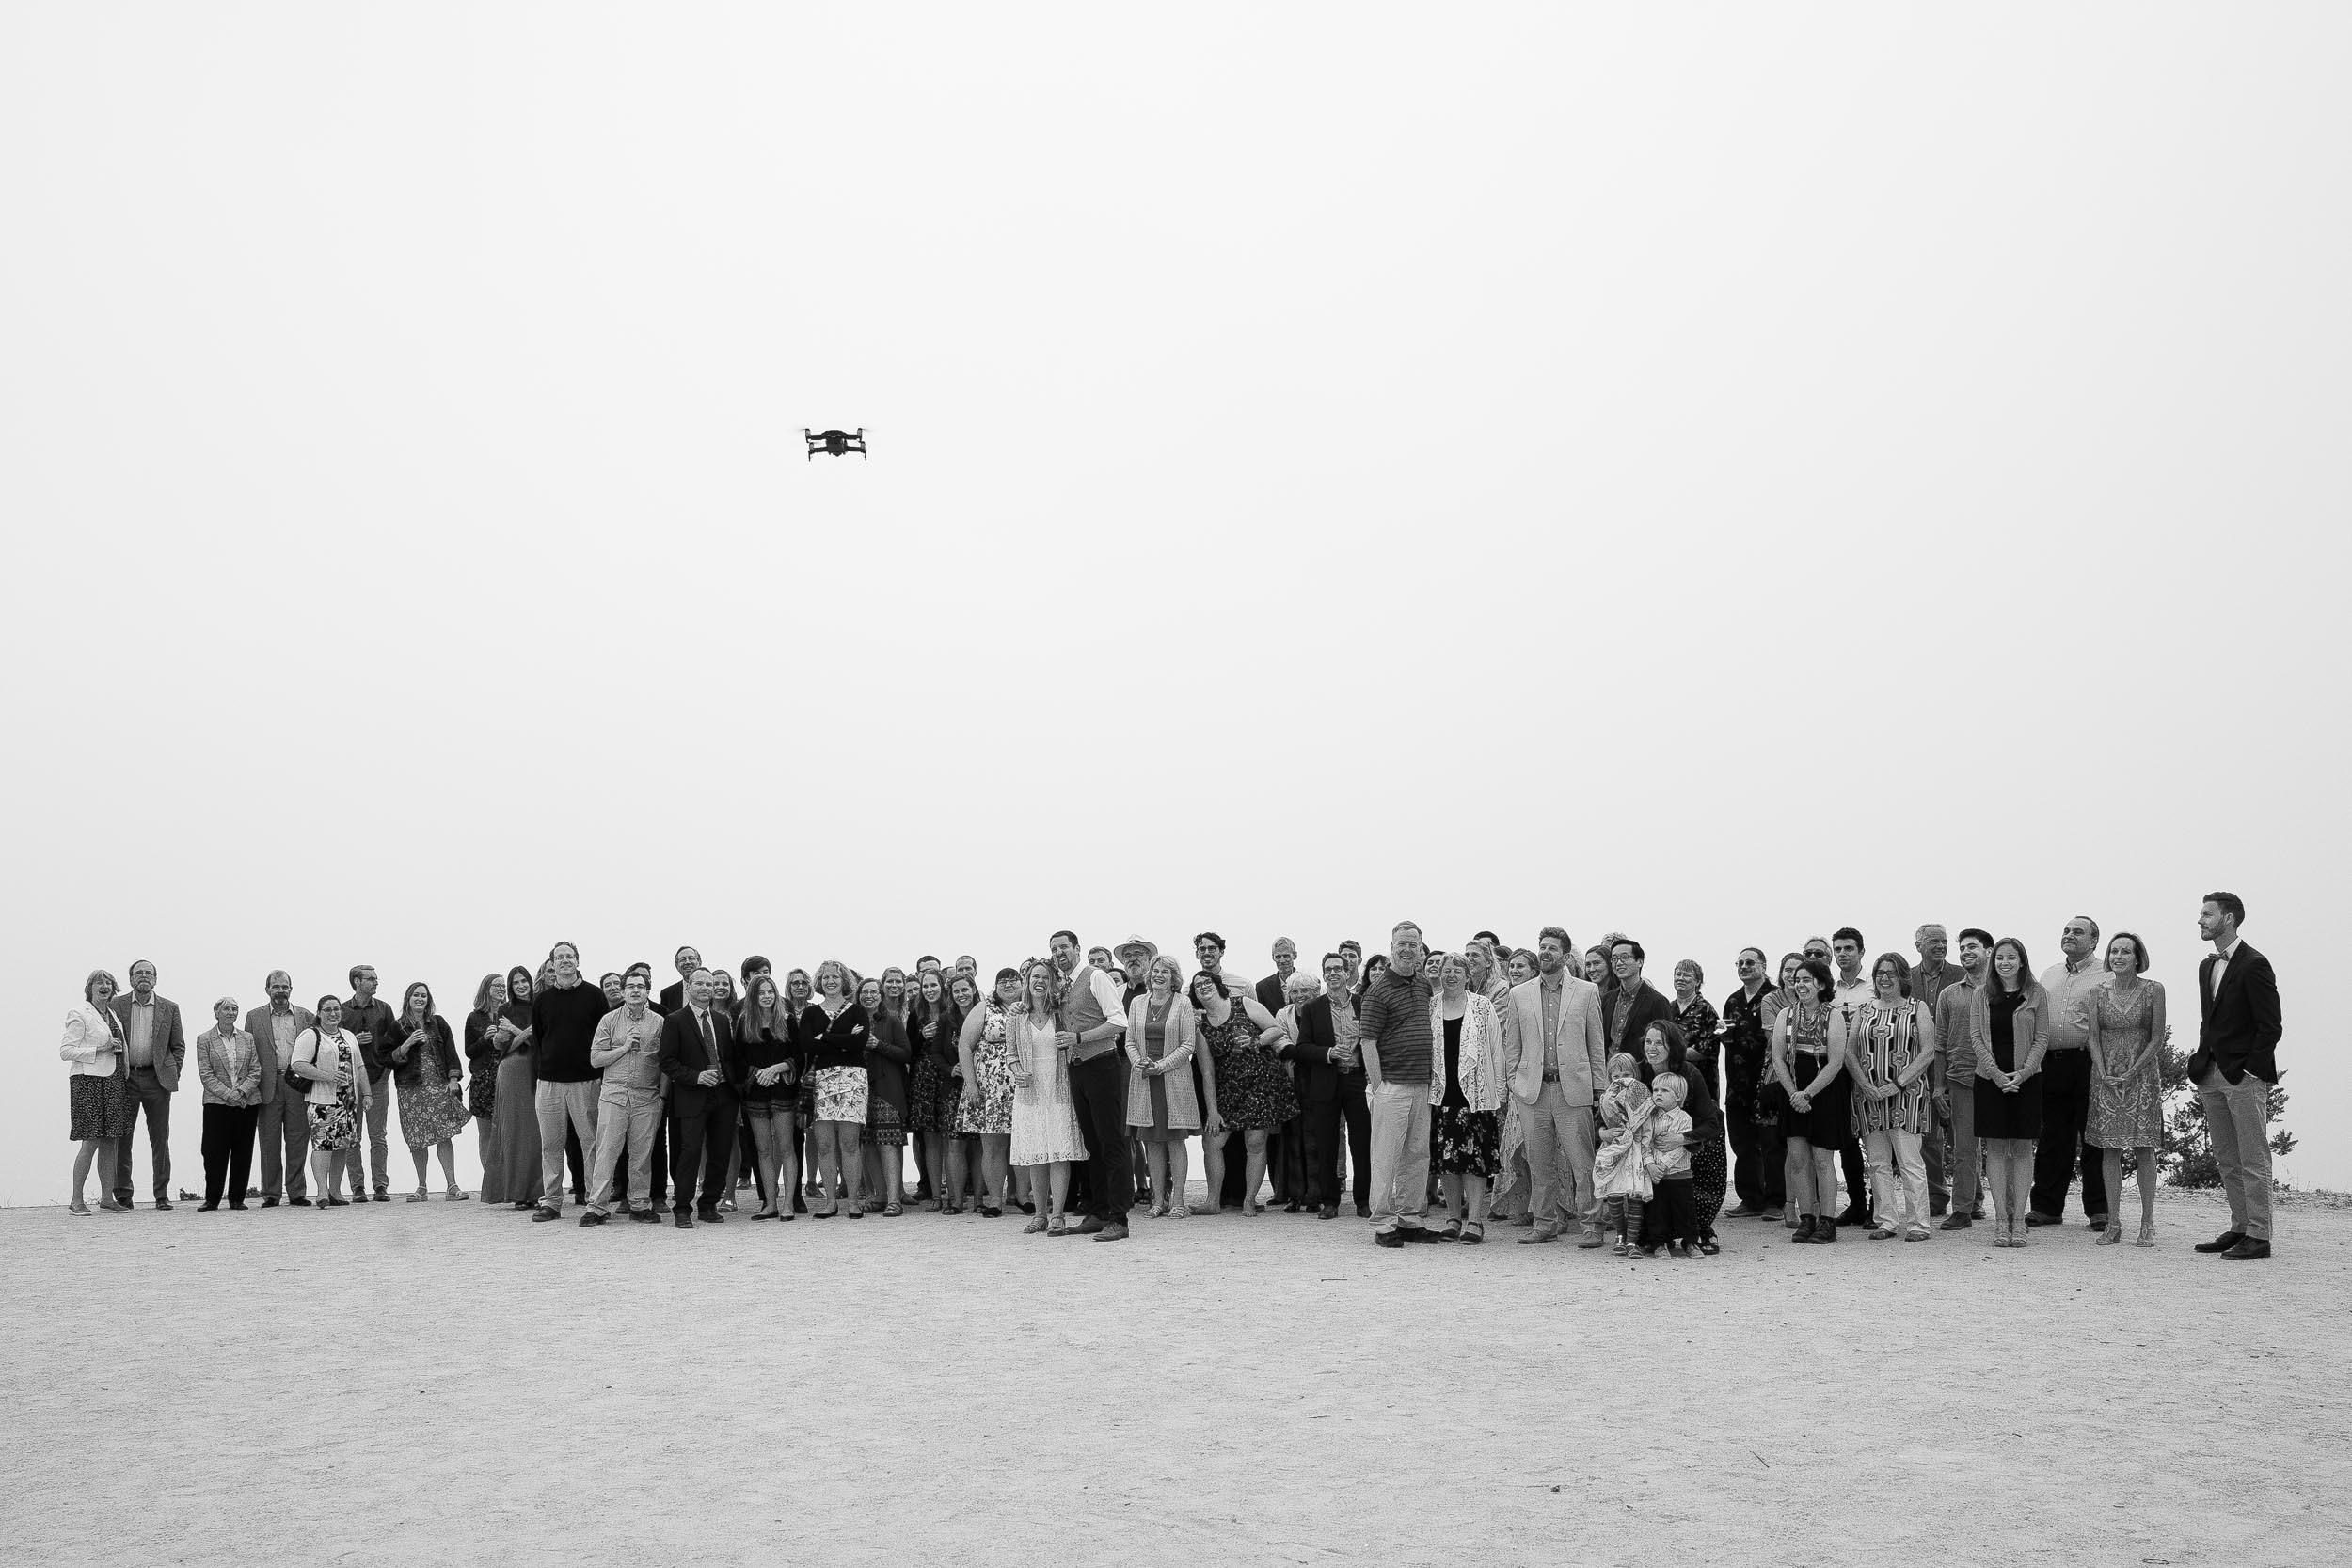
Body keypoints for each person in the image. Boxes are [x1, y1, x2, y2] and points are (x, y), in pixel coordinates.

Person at [2189, 892, 2282, 1261]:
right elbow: (2209, 1020)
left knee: (2253, 1156)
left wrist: (2249, 1069)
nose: (2200, 920)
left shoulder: (2255, 963)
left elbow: (2271, 1026)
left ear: (2228, 919)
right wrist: (2201, 1061)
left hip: (2243, 1075)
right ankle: (2240, 1226)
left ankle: (2259, 1235)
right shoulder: (2205, 965)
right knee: (2227, 1156)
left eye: (2206, 914)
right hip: (2210, 1073)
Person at [1506, 927, 1607, 1248]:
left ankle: (1592, 1223)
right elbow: (1513, 1047)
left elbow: (1596, 1046)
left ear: (1565, 955)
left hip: (1572, 1090)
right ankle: (1545, 1222)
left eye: (1552, 948)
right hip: (1532, 1092)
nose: (1545, 951)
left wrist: (1600, 1089)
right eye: (1542, 946)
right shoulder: (1519, 994)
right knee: (1539, 1162)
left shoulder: (1587, 991)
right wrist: (1514, 1083)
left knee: (1582, 1162)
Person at [1845, 954, 1938, 1243]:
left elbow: (1928, 1051)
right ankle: (1885, 1220)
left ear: (1902, 978)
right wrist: (1866, 1084)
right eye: (1880, 973)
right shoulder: (1864, 1009)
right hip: (1869, 1096)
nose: (1884, 978)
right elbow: (1849, 1053)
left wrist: (1897, 1083)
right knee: (1878, 1162)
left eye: (1891, 974)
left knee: (1910, 1161)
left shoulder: (1916, 1008)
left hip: (1906, 1096)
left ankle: (1918, 1224)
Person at [1361, 922, 1443, 1247]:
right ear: (1391, 946)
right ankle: (1383, 1222)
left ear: (1421, 948)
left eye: (1414, 944)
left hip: (1421, 1085)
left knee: (1417, 1155)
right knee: (1385, 1157)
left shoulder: (1424, 985)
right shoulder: (1377, 990)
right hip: (1391, 1086)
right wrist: (1378, 1086)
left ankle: (1409, 1218)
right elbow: (1367, 1041)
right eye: (1402, 944)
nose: (1408, 950)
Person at [1049, 931, 1134, 1241]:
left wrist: (1080, 1038)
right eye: (1054, 948)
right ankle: (1099, 1212)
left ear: (1077, 949)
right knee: (1092, 1144)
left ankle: (1120, 1219)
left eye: (1064, 947)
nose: (1059, 952)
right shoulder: (1060, 985)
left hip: (1102, 1064)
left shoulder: (1096, 977)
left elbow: (1119, 1022)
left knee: (1112, 1142)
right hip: (1078, 1069)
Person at [2031, 916, 2113, 1231]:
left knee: (2093, 1136)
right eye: (2066, 930)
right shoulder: (2049, 974)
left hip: (2089, 1062)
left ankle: (2099, 1210)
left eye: (2078, 932)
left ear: (2094, 941)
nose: (2069, 935)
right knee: (2053, 1137)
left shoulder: (2106, 974)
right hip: (2051, 1063)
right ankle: (2046, 1208)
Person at [2086, 932, 2166, 1249]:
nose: (2118, 956)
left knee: (2144, 1148)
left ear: (2137, 957)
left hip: (2141, 1076)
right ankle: (2113, 1221)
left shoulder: (2153, 990)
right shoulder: (2097, 991)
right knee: (2110, 1149)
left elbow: (2157, 1037)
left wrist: (2133, 1071)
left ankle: (2147, 1222)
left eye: (2125, 951)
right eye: (2114, 951)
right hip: (2105, 1077)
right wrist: (2103, 1070)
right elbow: (2092, 1034)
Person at [1970, 938, 2050, 1248]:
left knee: (2021, 1149)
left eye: (2011, 957)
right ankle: (2001, 1221)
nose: (2004, 962)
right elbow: (1976, 1038)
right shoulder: (1981, 994)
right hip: (1989, 1081)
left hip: (2027, 1082)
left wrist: (2022, 1073)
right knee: (1996, 1150)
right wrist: (1996, 1075)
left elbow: (2042, 1039)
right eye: (2000, 958)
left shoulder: (2036, 993)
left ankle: (2019, 1221)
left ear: (2022, 961)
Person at [1193, 970, 1292, 1216]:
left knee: (1255, 1143)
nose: (1204, 987)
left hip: (1259, 1083)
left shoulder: (1242, 1003)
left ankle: (1249, 1200)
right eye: (1197, 986)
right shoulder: (1201, 1025)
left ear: (1218, 985)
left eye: (1207, 982)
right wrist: (1212, 1111)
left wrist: (1255, 1041)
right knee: (1212, 1142)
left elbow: (1275, 1029)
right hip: (1227, 1088)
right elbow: (1207, 1072)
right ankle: (1212, 1201)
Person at [1769, 958, 1848, 1244]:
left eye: (1807, 980)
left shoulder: (1834, 1017)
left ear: (1822, 984)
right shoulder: (1785, 1016)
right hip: (1792, 1092)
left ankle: (1827, 1221)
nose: (1800, 985)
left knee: (1823, 1160)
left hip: (1822, 1092)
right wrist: (1793, 1094)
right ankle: (1807, 1219)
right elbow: (1777, 1056)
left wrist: (1808, 1094)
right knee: (1799, 1160)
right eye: (1797, 980)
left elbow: (1836, 1061)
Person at [1008, 958, 1088, 1236]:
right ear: (1027, 983)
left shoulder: (1060, 1013)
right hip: (1029, 1091)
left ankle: (1057, 1215)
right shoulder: (1016, 1016)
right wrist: (1018, 1072)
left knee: (1058, 1152)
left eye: (1044, 977)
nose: (1039, 981)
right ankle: (1039, 1214)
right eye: (1034, 977)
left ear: (1052, 982)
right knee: (1035, 1154)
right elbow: (1011, 1055)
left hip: (1058, 1087)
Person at [1429, 952, 1504, 1244]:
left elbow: (1496, 1051)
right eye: (1446, 970)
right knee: (1448, 1161)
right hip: (1441, 1093)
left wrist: (1500, 1092)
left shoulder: (1483, 1006)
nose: (1451, 975)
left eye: (1457, 971)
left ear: (1467, 975)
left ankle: (1474, 1219)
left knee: (1475, 1160)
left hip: (1476, 1093)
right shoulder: (1431, 1006)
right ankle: (1452, 1217)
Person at [658, 968, 742, 1228]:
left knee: (720, 1152)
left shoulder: (720, 1020)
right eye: (700, 983)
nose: (706, 987)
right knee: (689, 1153)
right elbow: (667, 1062)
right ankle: (682, 1208)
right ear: (689, 987)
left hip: (723, 1096)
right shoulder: (675, 1020)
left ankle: (709, 1205)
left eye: (710, 983)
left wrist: (734, 1084)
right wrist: (696, 1077)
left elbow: (728, 1057)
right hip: (691, 1096)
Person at [583, 973, 670, 1226]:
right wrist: (622, 1048)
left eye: (640, 987)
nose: (635, 991)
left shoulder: (659, 1022)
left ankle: (640, 1205)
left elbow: (665, 1063)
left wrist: (662, 1097)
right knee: (607, 1152)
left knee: (642, 1154)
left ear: (647, 992)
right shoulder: (609, 1020)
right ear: (622, 992)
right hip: (614, 1096)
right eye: (630, 986)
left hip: (647, 1097)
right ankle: (597, 1207)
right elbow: (595, 1059)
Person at [528, 942, 605, 1221]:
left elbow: (602, 1038)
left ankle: (597, 1204)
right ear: (552, 964)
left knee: (592, 1143)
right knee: (551, 1144)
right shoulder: (543, 1000)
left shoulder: (595, 996)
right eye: (559, 957)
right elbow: (539, 1040)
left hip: (586, 1081)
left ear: (577, 961)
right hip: (549, 1082)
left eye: (569, 956)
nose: (565, 961)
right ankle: (551, 1202)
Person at [1634, 1022, 1726, 1252]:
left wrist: (1683, 1139)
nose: (1651, 1048)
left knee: (1701, 1162)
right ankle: (1657, 1233)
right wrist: (1604, 1130)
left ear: (1672, 1047)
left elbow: (1711, 1122)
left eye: (1659, 1043)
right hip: (1651, 1141)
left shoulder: (1689, 1073)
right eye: (1648, 1042)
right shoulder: (1639, 1071)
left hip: (1693, 1135)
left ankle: (1701, 1230)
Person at [1126, 954, 1204, 1216]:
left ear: (1174, 978)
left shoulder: (1183, 1003)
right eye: (1156, 970)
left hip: (1174, 1081)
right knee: (1152, 1143)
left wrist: (1160, 1066)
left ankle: (1179, 1201)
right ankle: (1158, 1201)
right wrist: (1139, 1062)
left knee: (1175, 1142)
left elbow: (1187, 1045)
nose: (1159, 975)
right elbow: (1129, 1042)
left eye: (1165, 972)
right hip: (1144, 1080)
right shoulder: (1137, 1003)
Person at [107, 959, 186, 1211]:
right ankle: (123, 1195)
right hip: (125, 1079)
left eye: (148, 973)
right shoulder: (115, 1005)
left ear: (155, 978)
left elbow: (178, 1046)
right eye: (138, 973)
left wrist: (171, 1072)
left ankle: (161, 1194)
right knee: (122, 1138)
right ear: (130, 979)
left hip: (157, 1080)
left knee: (160, 1139)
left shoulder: (170, 1007)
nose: (144, 976)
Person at [386, 982, 470, 1201]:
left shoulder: (438, 1023)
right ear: (408, 999)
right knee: (417, 1138)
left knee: (444, 1134)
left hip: (438, 1085)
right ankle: (422, 1186)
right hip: (410, 1089)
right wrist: (408, 1043)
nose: (420, 999)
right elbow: (389, 1058)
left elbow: (450, 1050)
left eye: (424, 995)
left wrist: (453, 1079)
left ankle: (452, 1186)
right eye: (416, 995)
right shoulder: (398, 1027)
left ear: (428, 999)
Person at [799, 958, 869, 1220]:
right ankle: (830, 1202)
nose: (830, 981)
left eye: (836, 977)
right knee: (825, 1144)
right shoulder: (810, 1013)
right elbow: (807, 1045)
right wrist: (844, 1039)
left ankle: (853, 1202)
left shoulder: (857, 1011)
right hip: (821, 1080)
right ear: (820, 981)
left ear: (844, 981)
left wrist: (826, 1037)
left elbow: (859, 1043)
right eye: (826, 977)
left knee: (850, 1143)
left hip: (853, 1080)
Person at [1719, 948, 1784, 1222]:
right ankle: (1750, 1198)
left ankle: (1776, 1201)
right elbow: (1723, 1033)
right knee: (1742, 1144)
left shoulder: (1775, 995)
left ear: (1764, 965)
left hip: (1766, 1081)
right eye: (1740, 963)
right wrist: (1724, 1035)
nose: (1744, 967)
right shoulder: (1732, 1000)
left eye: (1750, 962)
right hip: (1737, 1084)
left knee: (1771, 1144)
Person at [1269, 968, 1341, 1217]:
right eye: (1295, 991)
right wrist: (1311, 1052)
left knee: (1316, 1138)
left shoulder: (1325, 1012)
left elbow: (1328, 1046)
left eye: (1306, 991)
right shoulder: (1282, 1014)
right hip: (1291, 1083)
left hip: (1320, 1082)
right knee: (1292, 1139)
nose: (1300, 995)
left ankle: (1316, 1195)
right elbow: (1280, 1046)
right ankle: (1294, 1195)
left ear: (1316, 991)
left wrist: (1307, 1052)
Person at [63, 970, 134, 1214]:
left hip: (114, 1081)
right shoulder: (79, 1014)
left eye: (108, 983)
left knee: (110, 1141)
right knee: (90, 1141)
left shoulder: (112, 1014)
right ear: (90, 988)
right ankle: (76, 1200)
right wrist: (100, 1048)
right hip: (88, 1082)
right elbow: (66, 1051)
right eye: (99, 982)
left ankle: (106, 1199)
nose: (104, 986)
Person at [290, 996, 372, 1206]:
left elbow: (360, 1066)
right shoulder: (310, 1035)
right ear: (319, 1013)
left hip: (348, 1101)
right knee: (323, 1145)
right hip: (322, 1101)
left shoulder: (349, 1035)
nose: (333, 1013)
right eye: (327, 1010)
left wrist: (367, 1094)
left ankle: (336, 1190)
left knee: (342, 1145)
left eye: (336, 1009)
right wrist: (328, 1075)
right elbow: (298, 1064)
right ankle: (322, 1192)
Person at [733, 973, 799, 1222]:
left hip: (783, 1088)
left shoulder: (788, 1020)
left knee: (786, 1148)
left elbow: (798, 1056)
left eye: (770, 991)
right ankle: (769, 1202)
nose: (767, 996)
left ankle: (788, 1204)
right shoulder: (744, 1022)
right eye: (761, 993)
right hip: (756, 1090)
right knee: (763, 1150)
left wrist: (777, 1069)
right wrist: (759, 1073)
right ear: (753, 996)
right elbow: (738, 1057)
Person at [246, 974, 314, 1207]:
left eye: (285, 986)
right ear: (267, 989)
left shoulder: (306, 1016)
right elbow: (248, 1053)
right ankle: (271, 1193)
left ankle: (297, 1192)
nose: (280, 991)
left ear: (291, 989)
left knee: (297, 1139)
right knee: (269, 1140)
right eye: (276, 987)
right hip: (268, 1084)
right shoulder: (254, 1017)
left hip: (298, 1084)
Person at [1911, 924, 1965, 1217]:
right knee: (1928, 1137)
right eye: (1934, 941)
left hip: (1956, 1064)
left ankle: (1971, 1198)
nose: (1941, 946)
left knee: (1963, 1136)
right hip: (1920, 1068)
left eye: (1944, 941)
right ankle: (1936, 1196)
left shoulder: (1961, 975)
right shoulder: (1906, 978)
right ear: (1918, 945)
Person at [955, 969, 1019, 1216]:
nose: (1008, 984)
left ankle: (1022, 1196)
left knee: (1022, 1145)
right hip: (990, 1089)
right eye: (1002, 981)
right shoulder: (984, 1007)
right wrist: (971, 1084)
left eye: (1013, 980)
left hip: (1023, 1086)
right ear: (995, 986)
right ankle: (995, 1200)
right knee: (992, 1147)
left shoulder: (1030, 1008)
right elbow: (965, 1045)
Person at [1824, 929, 1877, 1230]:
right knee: (1846, 1140)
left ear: (1861, 951)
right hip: (1836, 1069)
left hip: (1869, 1068)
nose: (1843, 953)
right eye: (1839, 949)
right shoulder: (1829, 989)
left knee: (1874, 1137)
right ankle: (1856, 1203)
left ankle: (1876, 1205)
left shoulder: (1873, 986)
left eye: (1849, 948)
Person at [193, 997, 262, 1211]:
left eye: (234, 1009)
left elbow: (255, 1069)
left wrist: (241, 1092)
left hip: (246, 1102)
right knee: (214, 1151)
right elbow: (206, 1074)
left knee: (243, 1151)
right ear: (216, 1013)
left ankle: (237, 1199)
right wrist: (228, 1095)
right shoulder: (204, 1039)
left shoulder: (247, 1038)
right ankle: (212, 1198)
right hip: (217, 1103)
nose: (231, 1012)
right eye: (226, 1009)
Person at [906, 969, 966, 1212]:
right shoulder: (915, 1013)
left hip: (950, 1076)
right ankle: (935, 1194)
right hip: (923, 1077)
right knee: (930, 1138)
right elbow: (907, 1049)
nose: (929, 990)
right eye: (924, 986)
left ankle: (955, 1194)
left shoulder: (951, 1012)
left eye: (933, 985)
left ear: (942, 986)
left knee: (951, 1137)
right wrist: (921, 1035)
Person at [341, 964, 397, 1202]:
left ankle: (381, 1186)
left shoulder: (384, 1009)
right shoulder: (341, 1011)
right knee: (352, 1136)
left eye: (376, 978)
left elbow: (393, 1043)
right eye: (370, 979)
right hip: (349, 1083)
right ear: (356, 981)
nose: (376, 982)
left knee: (378, 1136)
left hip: (377, 1080)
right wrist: (354, 1039)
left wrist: (385, 1074)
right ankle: (357, 1188)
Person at [857, 976, 912, 1216]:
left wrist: (878, 1045)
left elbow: (905, 1054)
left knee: (888, 1144)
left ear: (880, 996)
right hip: (860, 1091)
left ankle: (893, 1199)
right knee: (868, 1143)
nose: (868, 995)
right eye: (864, 992)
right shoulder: (853, 1022)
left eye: (873, 992)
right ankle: (878, 1195)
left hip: (887, 1090)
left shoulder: (892, 1021)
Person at [491, 966, 543, 1209]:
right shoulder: (505, 1010)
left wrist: (516, 1033)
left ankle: (538, 1192)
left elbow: (541, 1042)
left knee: (537, 1133)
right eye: (515, 982)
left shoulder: (541, 1005)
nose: (521, 985)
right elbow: (504, 1049)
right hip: (512, 1072)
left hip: (538, 1071)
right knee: (514, 1132)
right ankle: (518, 1194)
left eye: (524, 981)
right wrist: (519, 1033)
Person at [1592, 1053, 1654, 1254]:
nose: (1621, 1079)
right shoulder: (1605, 1099)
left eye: (1626, 1074)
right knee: (1615, 1196)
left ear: (1635, 1074)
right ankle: (1620, 1235)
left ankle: (1632, 1240)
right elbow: (1597, 1122)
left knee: (1635, 1197)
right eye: (1616, 1075)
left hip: (1635, 1150)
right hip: (1614, 1151)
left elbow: (1648, 1123)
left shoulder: (1642, 1095)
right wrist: (1603, 1132)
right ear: (1609, 1077)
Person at [1640, 1073, 1700, 1259]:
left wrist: (1662, 1166)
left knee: (1685, 1210)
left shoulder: (1684, 1119)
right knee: (1657, 1211)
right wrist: (1650, 1165)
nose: (1658, 1094)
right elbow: (1644, 1143)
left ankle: (1690, 1242)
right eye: (1655, 1089)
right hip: (1654, 1174)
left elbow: (1682, 1147)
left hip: (1679, 1174)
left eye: (1664, 1090)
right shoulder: (1648, 1118)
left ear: (1678, 1097)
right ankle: (1659, 1242)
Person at [463, 974, 511, 1206]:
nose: (501, 989)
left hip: (508, 1077)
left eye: (503, 985)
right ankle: (490, 1180)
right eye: (497, 985)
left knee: (507, 1131)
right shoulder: (474, 1017)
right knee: (486, 1133)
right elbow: (469, 1051)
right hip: (483, 1079)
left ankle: (509, 1180)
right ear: (486, 989)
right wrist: (485, 1038)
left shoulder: (510, 1013)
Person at [1669, 961, 1720, 1107]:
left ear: (1698, 981)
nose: (1681, 978)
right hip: (1672, 1084)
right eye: (1678, 974)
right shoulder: (1668, 1008)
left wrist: (1672, 1054)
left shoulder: (1707, 1010)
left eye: (1686, 975)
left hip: (1701, 1082)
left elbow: (1708, 1049)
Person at [660, 946, 702, 1014]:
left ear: (699, 962)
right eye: (683, 960)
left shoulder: (712, 987)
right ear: (677, 966)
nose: (687, 962)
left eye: (691, 958)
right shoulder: (667, 994)